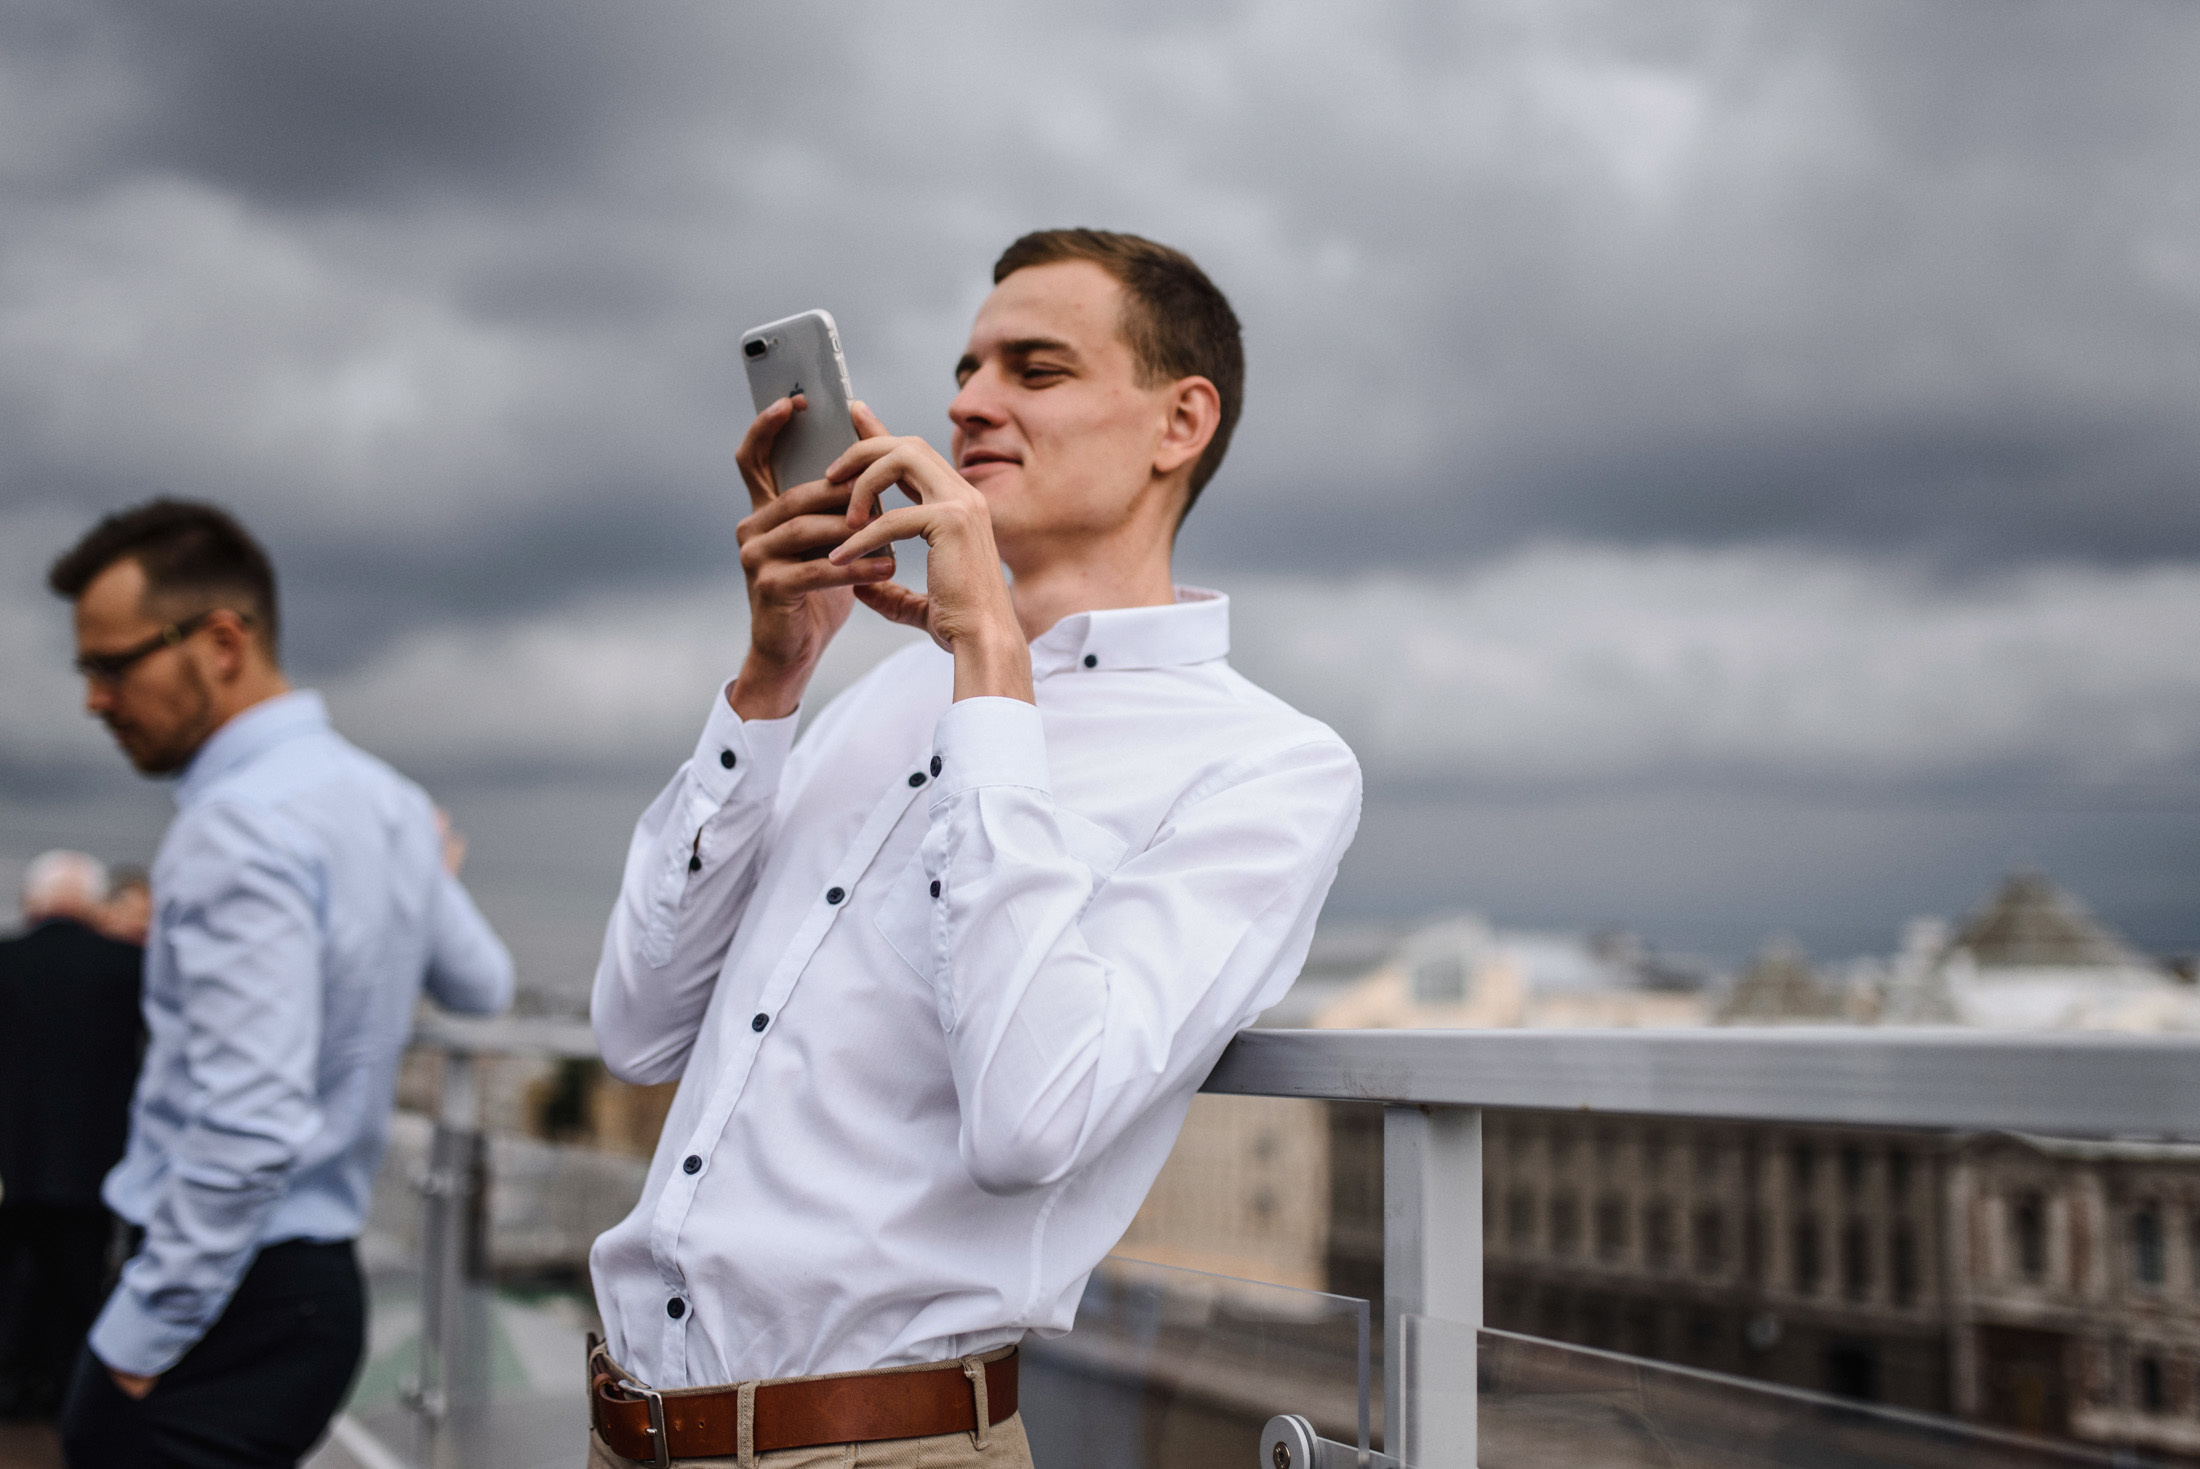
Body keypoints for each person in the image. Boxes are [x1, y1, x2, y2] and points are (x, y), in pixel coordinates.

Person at [586, 229, 1362, 1467]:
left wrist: (992, 669)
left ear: (1179, 422)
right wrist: (773, 677)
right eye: (966, 368)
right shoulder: (874, 700)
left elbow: (1027, 1124)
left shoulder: (1267, 766)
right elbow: (635, 1029)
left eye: (1035, 370)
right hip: (627, 1430)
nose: (966, 402)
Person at [43, 499, 517, 1469]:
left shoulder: (236, 823)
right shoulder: (384, 799)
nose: (95, 697)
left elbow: (250, 1118)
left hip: (222, 1295)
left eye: (112, 663)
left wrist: (137, 1336)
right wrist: (420, 884)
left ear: (220, 640)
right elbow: (483, 983)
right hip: (314, 1294)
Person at [0, 852, 143, 1422]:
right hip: (93, 1164)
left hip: (8, 1165)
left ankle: (10, 1393)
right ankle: (68, 1399)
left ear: (32, 900)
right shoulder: (126, 966)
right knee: (79, 1289)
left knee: (7, 1288)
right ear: (90, 902)